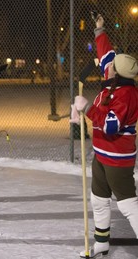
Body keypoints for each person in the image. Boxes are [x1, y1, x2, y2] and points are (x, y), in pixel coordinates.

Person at [71, 13, 138, 258]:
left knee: (128, 204)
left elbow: (111, 126)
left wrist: (88, 109)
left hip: (118, 157)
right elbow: (106, 54)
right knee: (98, 199)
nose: (105, 67)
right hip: (101, 154)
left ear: (117, 75)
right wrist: (100, 30)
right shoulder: (114, 78)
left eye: (110, 68)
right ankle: (101, 243)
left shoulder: (126, 96)